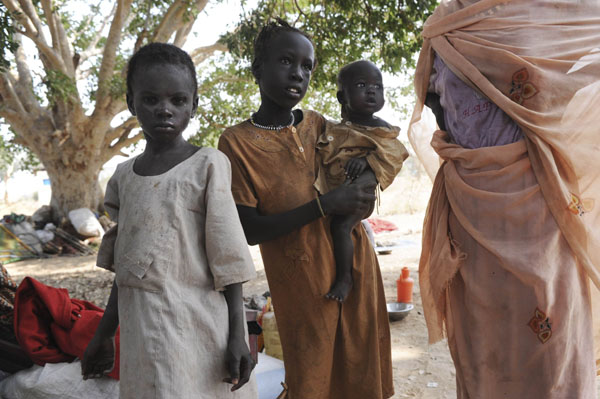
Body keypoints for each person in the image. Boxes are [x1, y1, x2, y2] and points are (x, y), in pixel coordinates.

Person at [408, 1, 600, 398]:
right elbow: (441, 110)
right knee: (482, 347)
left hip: (542, 208)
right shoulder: (443, 28)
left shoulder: (554, 12)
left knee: (552, 349)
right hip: (471, 212)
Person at [218, 19, 394, 399]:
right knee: (312, 379)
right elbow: (249, 230)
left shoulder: (320, 125)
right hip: (301, 282)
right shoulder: (237, 143)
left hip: (356, 266)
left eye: (306, 66)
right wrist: (324, 205)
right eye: (285, 61)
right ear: (257, 68)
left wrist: (366, 175)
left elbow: (372, 150)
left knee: (362, 372)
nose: (297, 73)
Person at [81, 43, 258, 398]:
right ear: (132, 103)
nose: (165, 110)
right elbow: (127, 268)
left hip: (195, 328)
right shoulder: (124, 177)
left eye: (178, 100)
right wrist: (103, 334)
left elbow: (229, 260)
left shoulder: (207, 165)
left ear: (194, 103)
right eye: (151, 100)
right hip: (139, 333)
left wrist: (238, 336)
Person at [315, 60, 408, 302]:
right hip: (336, 190)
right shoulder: (338, 127)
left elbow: (394, 154)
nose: (371, 90)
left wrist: (367, 161)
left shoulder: (381, 129)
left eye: (378, 86)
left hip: (361, 195)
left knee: (341, 227)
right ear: (341, 96)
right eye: (361, 85)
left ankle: (345, 278)